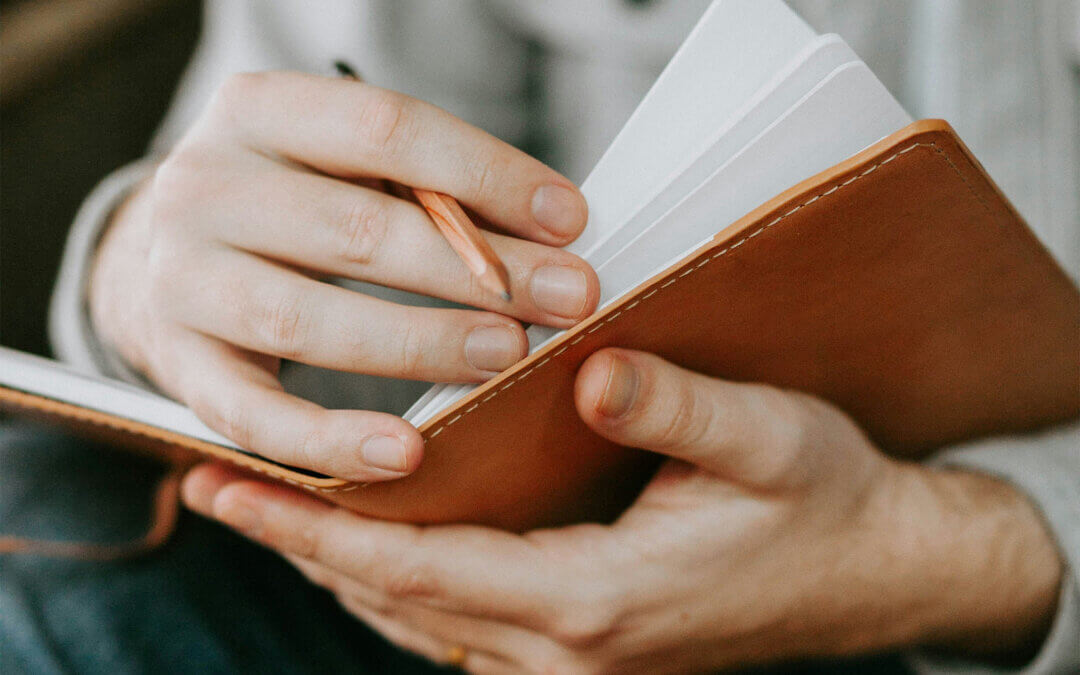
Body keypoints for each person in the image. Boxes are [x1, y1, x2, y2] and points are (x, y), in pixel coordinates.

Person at [3, 1, 1077, 673]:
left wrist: (961, 557)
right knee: (34, 518)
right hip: (551, 517)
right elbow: (286, 129)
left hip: (1005, 594)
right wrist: (149, 265)